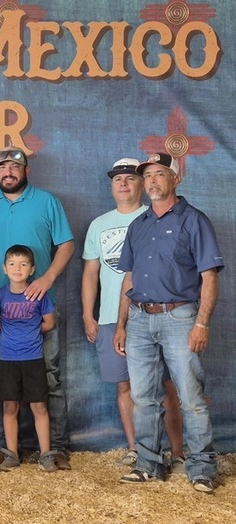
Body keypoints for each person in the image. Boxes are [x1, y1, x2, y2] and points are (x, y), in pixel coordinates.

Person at [113, 152, 224, 493]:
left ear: (176, 179)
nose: (152, 181)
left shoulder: (194, 220)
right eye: (147, 176)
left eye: (160, 174)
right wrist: (121, 324)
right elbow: (128, 279)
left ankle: (202, 467)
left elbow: (209, 277)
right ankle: (149, 464)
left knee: (190, 396)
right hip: (140, 320)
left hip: (180, 317)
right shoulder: (139, 224)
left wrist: (202, 323)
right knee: (143, 397)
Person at [0, 147, 74, 469]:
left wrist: (47, 278)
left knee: (50, 379)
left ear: (26, 170)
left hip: (41, 310)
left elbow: (66, 244)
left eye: (15, 166)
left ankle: (54, 449)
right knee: (3, 381)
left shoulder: (46, 202)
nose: (8, 171)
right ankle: (6, 448)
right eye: (2, 166)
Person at [81, 158, 184, 468]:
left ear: (143, 184)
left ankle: (177, 452)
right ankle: (136, 449)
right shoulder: (99, 225)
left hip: (153, 315)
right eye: (117, 179)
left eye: (130, 177)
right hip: (112, 318)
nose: (123, 183)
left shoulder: (156, 217)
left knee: (165, 385)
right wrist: (90, 314)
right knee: (124, 385)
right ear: (112, 187)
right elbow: (90, 273)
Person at [0, 245, 57, 473]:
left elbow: (49, 323)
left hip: (33, 358)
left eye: (23, 264)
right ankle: (11, 454)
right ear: (4, 269)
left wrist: (29, 334)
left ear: (32, 269)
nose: (18, 268)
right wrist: (10, 336)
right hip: (8, 359)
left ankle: (46, 455)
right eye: (12, 264)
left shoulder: (39, 295)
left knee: (39, 406)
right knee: (10, 406)